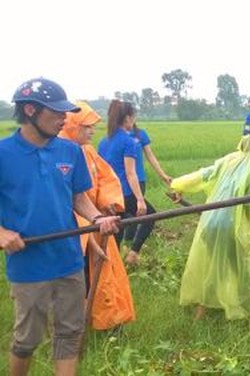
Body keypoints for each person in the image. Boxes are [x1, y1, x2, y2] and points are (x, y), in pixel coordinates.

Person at [1, 78, 119, 376]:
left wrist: (96, 219)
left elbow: (79, 197)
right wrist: (2, 233)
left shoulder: (69, 151)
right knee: (27, 338)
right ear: (30, 110)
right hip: (29, 265)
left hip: (68, 259)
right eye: (56, 112)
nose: (63, 118)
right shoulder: (4, 155)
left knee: (69, 334)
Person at [169, 126, 250, 320]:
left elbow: (203, 175)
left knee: (213, 264)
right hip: (232, 227)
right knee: (235, 268)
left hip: (210, 221)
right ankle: (228, 309)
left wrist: (178, 185)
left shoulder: (229, 159)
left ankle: (213, 305)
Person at [59, 101, 136, 330]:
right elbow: (63, 197)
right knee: (77, 279)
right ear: (73, 125)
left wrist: (110, 202)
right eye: (87, 126)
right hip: (72, 228)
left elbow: (106, 178)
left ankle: (109, 322)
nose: (92, 131)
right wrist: (87, 226)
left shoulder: (88, 151)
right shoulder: (59, 152)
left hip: (96, 220)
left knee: (104, 274)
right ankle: (74, 326)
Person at [99, 100, 155, 265]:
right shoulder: (129, 141)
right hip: (126, 193)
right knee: (150, 216)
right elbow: (131, 173)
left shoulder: (104, 142)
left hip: (111, 195)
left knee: (118, 227)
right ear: (128, 118)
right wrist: (139, 199)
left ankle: (111, 264)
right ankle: (133, 254)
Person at [124, 122, 172, 248]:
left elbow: (150, 156)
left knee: (136, 213)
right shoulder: (116, 137)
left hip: (138, 180)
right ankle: (130, 247)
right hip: (122, 182)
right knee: (132, 213)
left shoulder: (140, 134)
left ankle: (130, 245)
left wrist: (162, 175)